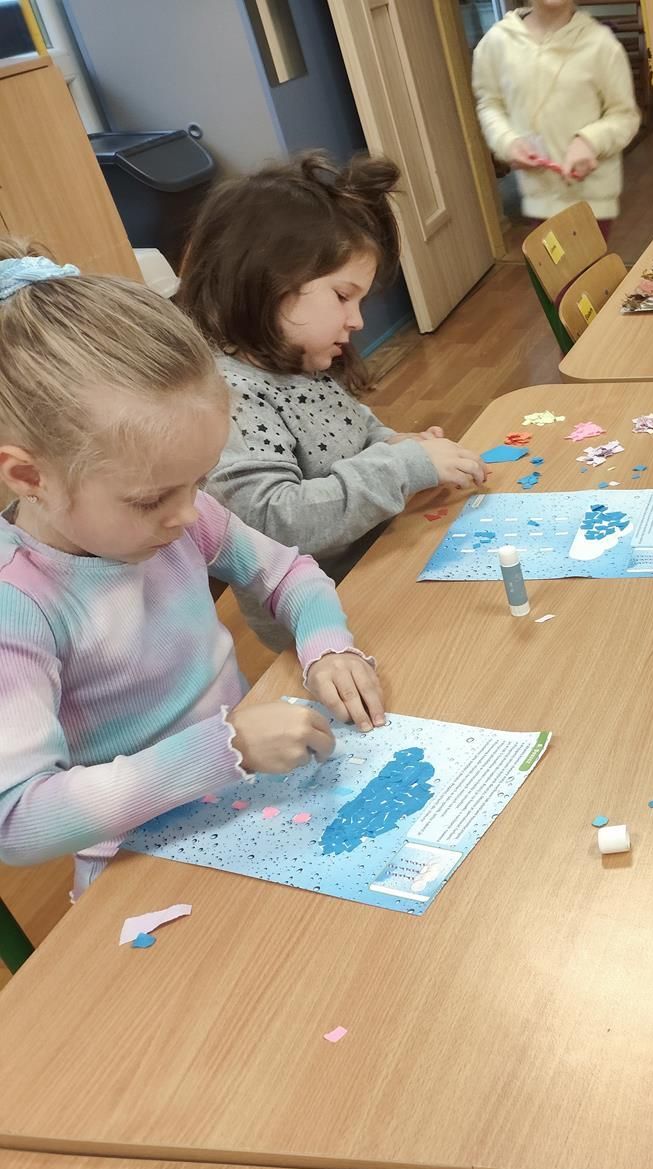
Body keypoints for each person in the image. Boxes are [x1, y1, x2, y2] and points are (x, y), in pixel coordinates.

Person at [0, 244, 386, 897]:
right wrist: (224, 747)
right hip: (143, 864)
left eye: (199, 481)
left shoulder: (180, 513)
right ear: (28, 476)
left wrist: (327, 647)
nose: (188, 513)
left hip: (250, 798)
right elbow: (19, 820)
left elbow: (288, 574)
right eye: (151, 498)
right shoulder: (19, 604)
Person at [178, 151, 484, 654]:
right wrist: (401, 468)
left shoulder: (297, 359)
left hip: (382, 557)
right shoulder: (230, 396)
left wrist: (395, 444)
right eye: (343, 296)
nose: (357, 320)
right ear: (267, 283)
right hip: (329, 619)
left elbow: (355, 427)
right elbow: (272, 521)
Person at [472, 0, 642, 240]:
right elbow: (489, 104)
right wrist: (507, 142)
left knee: (590, 265)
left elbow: (625, 115)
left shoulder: (601, 44)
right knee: (550, 264)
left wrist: (590, 141)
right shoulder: (496, 44)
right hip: (538, 199)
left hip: (591, 201)